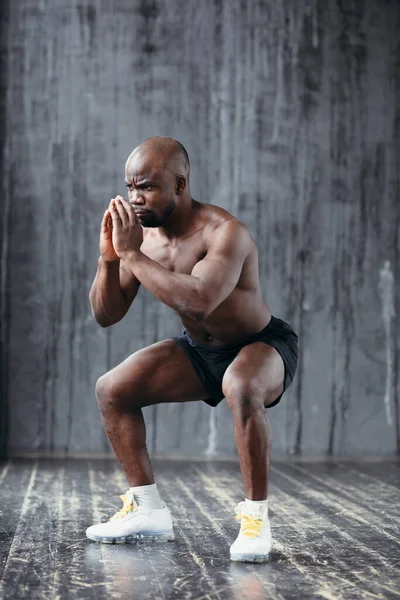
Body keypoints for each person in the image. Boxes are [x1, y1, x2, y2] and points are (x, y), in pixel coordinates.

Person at [86, 136, 298, 562]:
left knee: (240, 384)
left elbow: (199, 302)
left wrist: (132, 254)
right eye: (130, 187)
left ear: (180, 185)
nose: (135, 199)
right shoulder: (142, 241)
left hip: (261, 345)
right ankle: (148, 510)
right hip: (200, 352)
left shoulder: (226, 232)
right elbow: (106, 315)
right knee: (112, 389)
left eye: (146, 187)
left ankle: (256, 519)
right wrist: (110, 261)